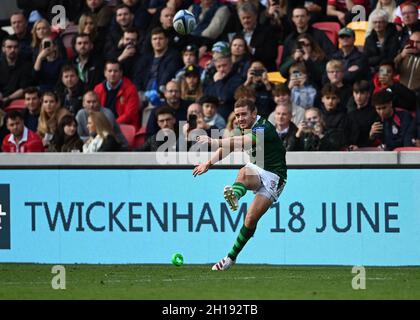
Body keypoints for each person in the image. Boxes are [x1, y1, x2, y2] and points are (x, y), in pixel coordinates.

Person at [193, 98, 287, 270]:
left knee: (250, 220)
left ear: (254, 113)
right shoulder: (243, 128)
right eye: (237, 115)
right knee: (244, 171)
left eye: (244, 114)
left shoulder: (263, 127)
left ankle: (231, 257)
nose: (240, 118)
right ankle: (235, 195)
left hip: (274, 176)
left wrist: (214, 141)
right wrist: (208, 163)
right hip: (257, 168)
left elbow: (240, 142)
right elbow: (230, 147)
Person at [94, 60, 141, 129]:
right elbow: (95, 110)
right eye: (110, 71)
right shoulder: (98, 89)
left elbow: (130, 114)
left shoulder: (131, 89)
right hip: (103, 126)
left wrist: (112, 124)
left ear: (121, 73)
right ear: (105, 73)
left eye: (115, 71)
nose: (112, 74)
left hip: (124, 127)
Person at [203, 55, 244, 120]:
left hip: (229, 118)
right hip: (212, 117)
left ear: (231, 65)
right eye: (219, 67)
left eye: (224, 65)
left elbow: (225, 97)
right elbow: (207, 97)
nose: (221, 69)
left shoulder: (237, 79)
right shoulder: (212, 79)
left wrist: (218, 81)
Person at [0, 35, 33, 109]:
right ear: (3, 49)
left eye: (15, 47)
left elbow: (24, 88)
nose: (12, 50)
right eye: (9, 47)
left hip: (19, 101)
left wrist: (8, 98)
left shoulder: (26, 66)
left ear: (19, 48)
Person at [347, 80, 378, 148]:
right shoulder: (350, 114)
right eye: (356, 93)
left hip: (367, 150)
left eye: (362, 93)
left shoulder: (374, 113)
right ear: (353, 94)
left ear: (368, 94)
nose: (358, 96)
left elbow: (374, 138)